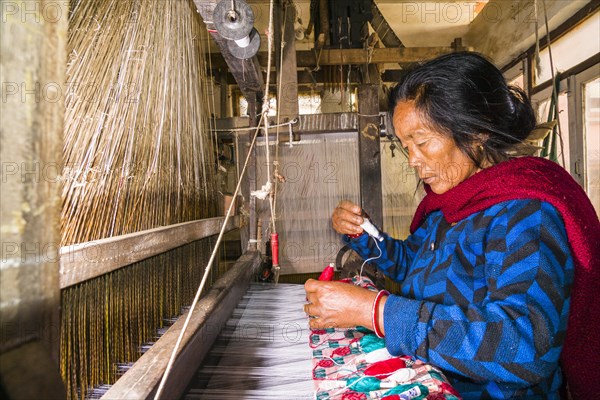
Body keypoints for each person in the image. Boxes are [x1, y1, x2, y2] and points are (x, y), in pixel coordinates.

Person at [303, 52, 600, 399]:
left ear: (475, 132)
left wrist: (376, 311)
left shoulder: (524, 214)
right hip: (435, 376)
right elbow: (410, 264)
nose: (413, 159)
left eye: (423, 141)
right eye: (405, 146)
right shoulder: (452, 204)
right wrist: (362, 233)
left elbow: (523, 346)